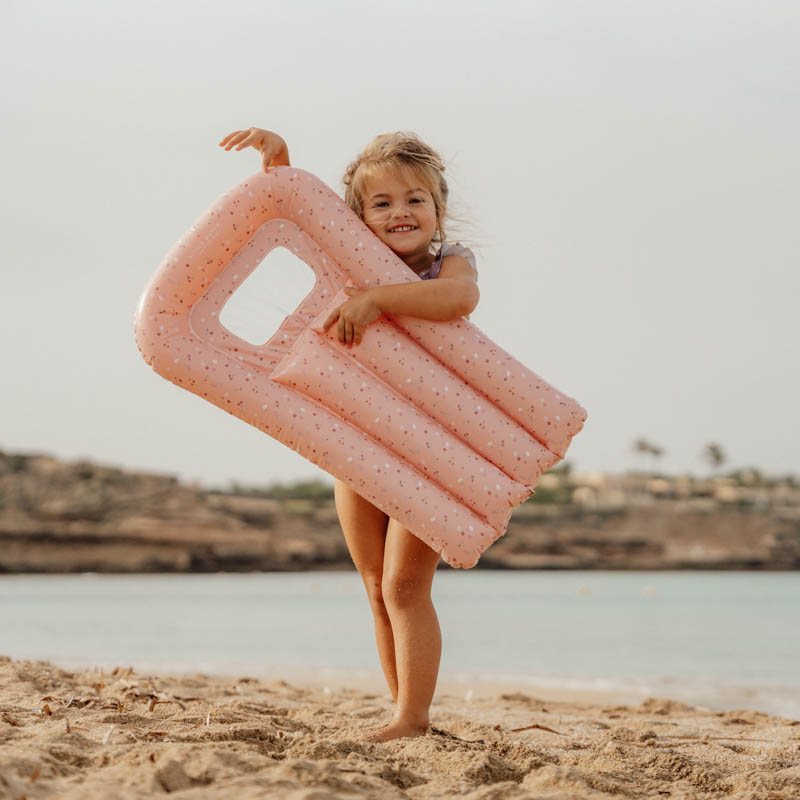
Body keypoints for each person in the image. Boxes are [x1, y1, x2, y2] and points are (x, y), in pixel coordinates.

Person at [218, 127, 480, 743]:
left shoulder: (450, 262)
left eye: (414, 199)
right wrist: (279, 162)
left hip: (429, 442)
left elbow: (459, 299)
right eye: (381, 203)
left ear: (438, 208)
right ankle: (402, 712)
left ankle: (412, 718)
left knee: (405, 584)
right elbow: (297, 219)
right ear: (358, 216)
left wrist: (378, 300)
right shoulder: (345, 257)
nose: (399, 212)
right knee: (374, 585)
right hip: (357, 437)